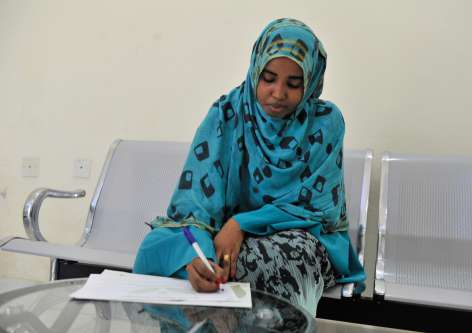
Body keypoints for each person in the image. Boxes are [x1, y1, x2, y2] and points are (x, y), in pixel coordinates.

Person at [133, 18, 365, 316]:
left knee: (288, 259)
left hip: (296, 236)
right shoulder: (226, 113)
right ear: (255, 70)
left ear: (310, 81)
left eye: (293, 84)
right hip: (225, 238)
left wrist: (241, 224)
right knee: (160, 246)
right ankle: (205, 276)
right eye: (268, 79)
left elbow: (317, 210)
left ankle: (218, 289)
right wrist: (196, 256)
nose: (278, 93)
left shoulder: (325, 122)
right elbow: (195, 207)